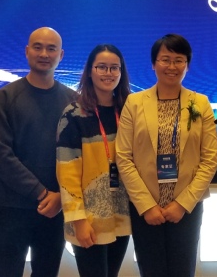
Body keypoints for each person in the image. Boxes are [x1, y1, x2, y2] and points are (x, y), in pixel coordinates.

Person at [115, 34, 217, 277]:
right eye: (165, 59)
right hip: (146, 207)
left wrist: (182, 204)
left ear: (187, 65)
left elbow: (210, 159)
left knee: (183, 270)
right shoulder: (134, 102)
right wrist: (146, 205)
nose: (172, 66)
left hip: (186, 208)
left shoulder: (201, 102)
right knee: (151, 270)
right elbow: (124, 156)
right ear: (153, 64)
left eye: (179, 60)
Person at [0, 27, 77, 277]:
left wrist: (60, 197)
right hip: (11, 208)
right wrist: (41, 192)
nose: (44, 54)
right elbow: (0, 155)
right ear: (27, 51)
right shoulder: (5, 97)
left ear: (61, 55)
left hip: (55, 209)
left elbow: (78, 158)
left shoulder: (73, 101)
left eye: (51, 48)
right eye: (38, 47)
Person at [56, 44, 132, 277]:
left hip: (123, 213)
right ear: (90, 71)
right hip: (89, 218)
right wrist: (78, 220)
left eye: (114, 68)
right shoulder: (74, 113)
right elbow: (67, 171)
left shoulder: (129, 110)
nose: (108, 73)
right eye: (101, 67)